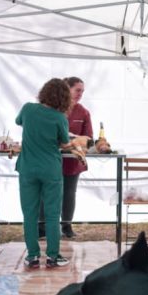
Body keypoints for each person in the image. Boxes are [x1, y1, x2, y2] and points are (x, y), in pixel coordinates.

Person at [16, 78, 73, 270]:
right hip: (50, 170)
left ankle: (32, 256)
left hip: (27, 169)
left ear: (44, 92)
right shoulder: (60, 118)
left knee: (29, 214)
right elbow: (64, 143)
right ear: (64, 99)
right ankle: (52, 257)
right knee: (52, 214)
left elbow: (18, 121)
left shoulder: (28, 109)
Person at [60, 76, 93, 238]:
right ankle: (42, 227)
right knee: (47, 193)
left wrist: (74, 140)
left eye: (82, 91)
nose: (80, 94)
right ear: (67, 89)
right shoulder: (55, 109)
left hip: (74, 161)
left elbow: (89, 138)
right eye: (77, 90)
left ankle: (66, 226)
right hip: (53, 159)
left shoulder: (83, 112)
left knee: (69, 193)